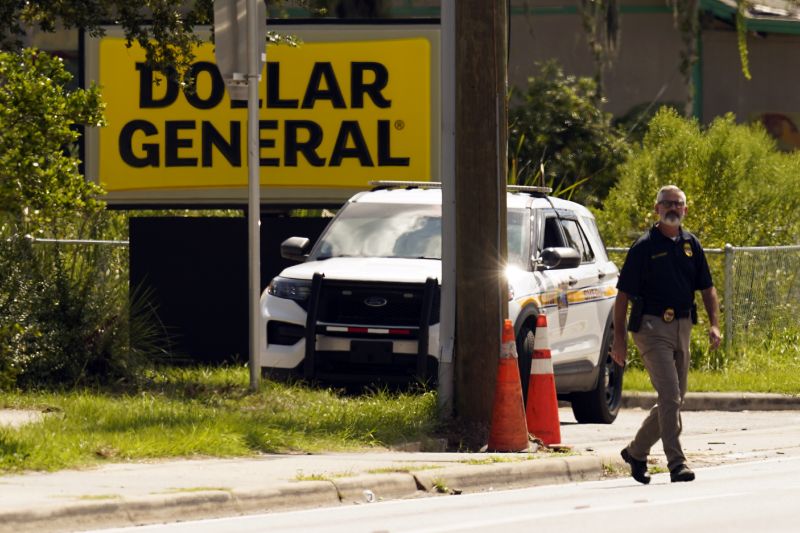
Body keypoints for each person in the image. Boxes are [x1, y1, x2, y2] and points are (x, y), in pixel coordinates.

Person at [611, 185, 721, 484]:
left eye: (678, 204)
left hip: (683, 326)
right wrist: (618, 339)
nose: (673, 208)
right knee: (671, 395)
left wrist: (714, 324)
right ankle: (676, 462)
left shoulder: (691, 244)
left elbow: (707, 288)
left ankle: (635, 452)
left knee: (674, 399)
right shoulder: (644, 246)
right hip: (650, 328)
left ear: (685, 209)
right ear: (656, 208)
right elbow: (622, 296)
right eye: (667, 203)